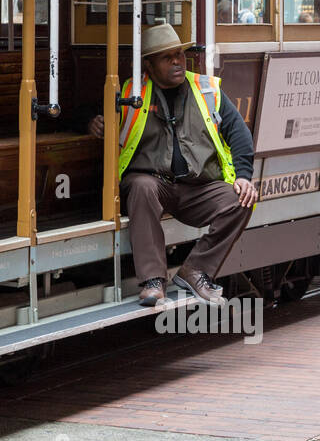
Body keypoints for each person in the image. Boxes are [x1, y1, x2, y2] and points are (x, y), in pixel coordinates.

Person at [88, 24, 257, 307]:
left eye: (180, 54)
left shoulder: (206, 89)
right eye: (168, 57)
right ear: (149, 65)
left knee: (243, 199)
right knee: (141, 186)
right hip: (155, 185)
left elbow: (240, 134)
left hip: (198, 188)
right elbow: (86, 112)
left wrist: (244, 177)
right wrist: (90, 122)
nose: (178, 62)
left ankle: (196, 269)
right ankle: (153, 281)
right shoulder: (131, 92)